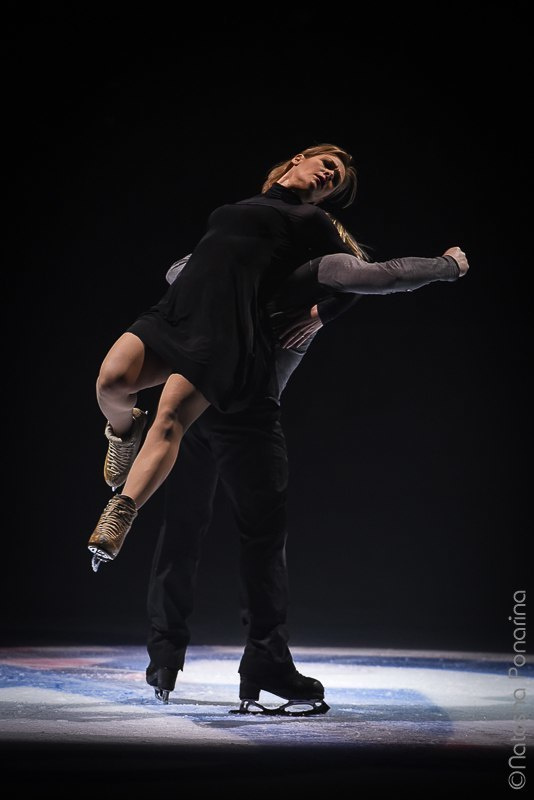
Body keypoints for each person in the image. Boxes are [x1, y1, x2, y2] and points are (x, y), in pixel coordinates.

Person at [87, 142, 468, 713]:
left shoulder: (314, 259)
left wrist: (324, 310)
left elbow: (369, 275)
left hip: (226, 400)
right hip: (227, 402)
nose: (326, 178)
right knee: (217, 534)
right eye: (323, 166)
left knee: (221, 534)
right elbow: (186, 271)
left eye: (334, 179)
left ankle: (203, 657)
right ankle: (204, 657)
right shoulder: (266, 252)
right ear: (292, 166)